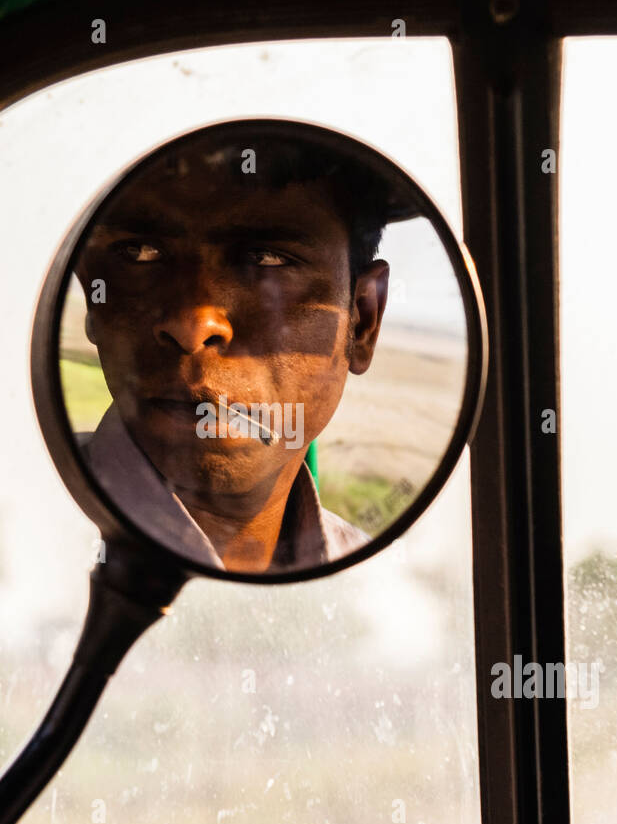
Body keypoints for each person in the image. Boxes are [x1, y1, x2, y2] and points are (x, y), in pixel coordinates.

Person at [72, 127, 403, 573]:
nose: (192, 326)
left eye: (266, 260)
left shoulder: (375, 593)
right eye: (140, 252)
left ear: (362, 321)